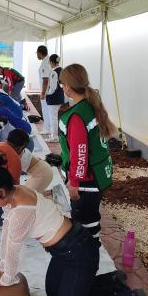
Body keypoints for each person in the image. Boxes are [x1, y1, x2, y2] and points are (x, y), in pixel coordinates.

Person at [0, 153, 147, 296]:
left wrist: (6, 279)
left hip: (79, 254)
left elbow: (13, 249)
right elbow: (7, 235)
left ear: (1, 192)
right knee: (54, 291)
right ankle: (113, 282)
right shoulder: (16, 192)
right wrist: (1, 270)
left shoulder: (21, 210)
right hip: (65, 251)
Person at [59, 64, 115, 239]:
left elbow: (79, 152)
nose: (63, 88)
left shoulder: (77, 115)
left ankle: (88, 256)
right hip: (98, 174)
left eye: (62, 85)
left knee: (85, 222)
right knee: (91, 217)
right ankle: (91, 251)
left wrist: (74, 182)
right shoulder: (91, 105)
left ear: (68, 87)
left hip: (86, 181)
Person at [6, 129, 52, 194]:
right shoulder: (10, 149)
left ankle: (52, 194)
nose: (23, 149)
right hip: (39, 170)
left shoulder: (14, 152)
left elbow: (14, 181)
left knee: (25, 197)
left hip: (43, 173)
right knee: (26, 195)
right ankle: (50, 193)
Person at [45, 54, 65, 143]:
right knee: (54, 117)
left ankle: (54, 136)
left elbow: (52, 88)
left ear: (52, 62)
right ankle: (54, 134)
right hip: (60, 96)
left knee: (53, 117)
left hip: (54, 98)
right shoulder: (62, 70)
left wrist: (46, 94)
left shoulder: (54, 72)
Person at [36, 45, 53, 137]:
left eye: (37, 54)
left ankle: (47, 129)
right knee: (48, 110)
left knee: (46, 110)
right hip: (48, 90)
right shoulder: (47, 60)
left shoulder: (45, 63)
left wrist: (43, 93)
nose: (37, 56)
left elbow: (45, 79)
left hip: (46, 91)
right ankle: (48, 128)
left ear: (39, 53)